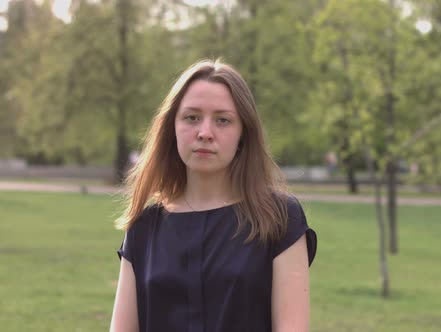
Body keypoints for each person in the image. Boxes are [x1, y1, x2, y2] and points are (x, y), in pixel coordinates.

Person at [110, 59, 317, 332]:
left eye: (223, 120)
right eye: (192, 117)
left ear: (243, 132)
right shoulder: (143, 228)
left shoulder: (279, 219)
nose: (205, 133)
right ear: (172, 127)